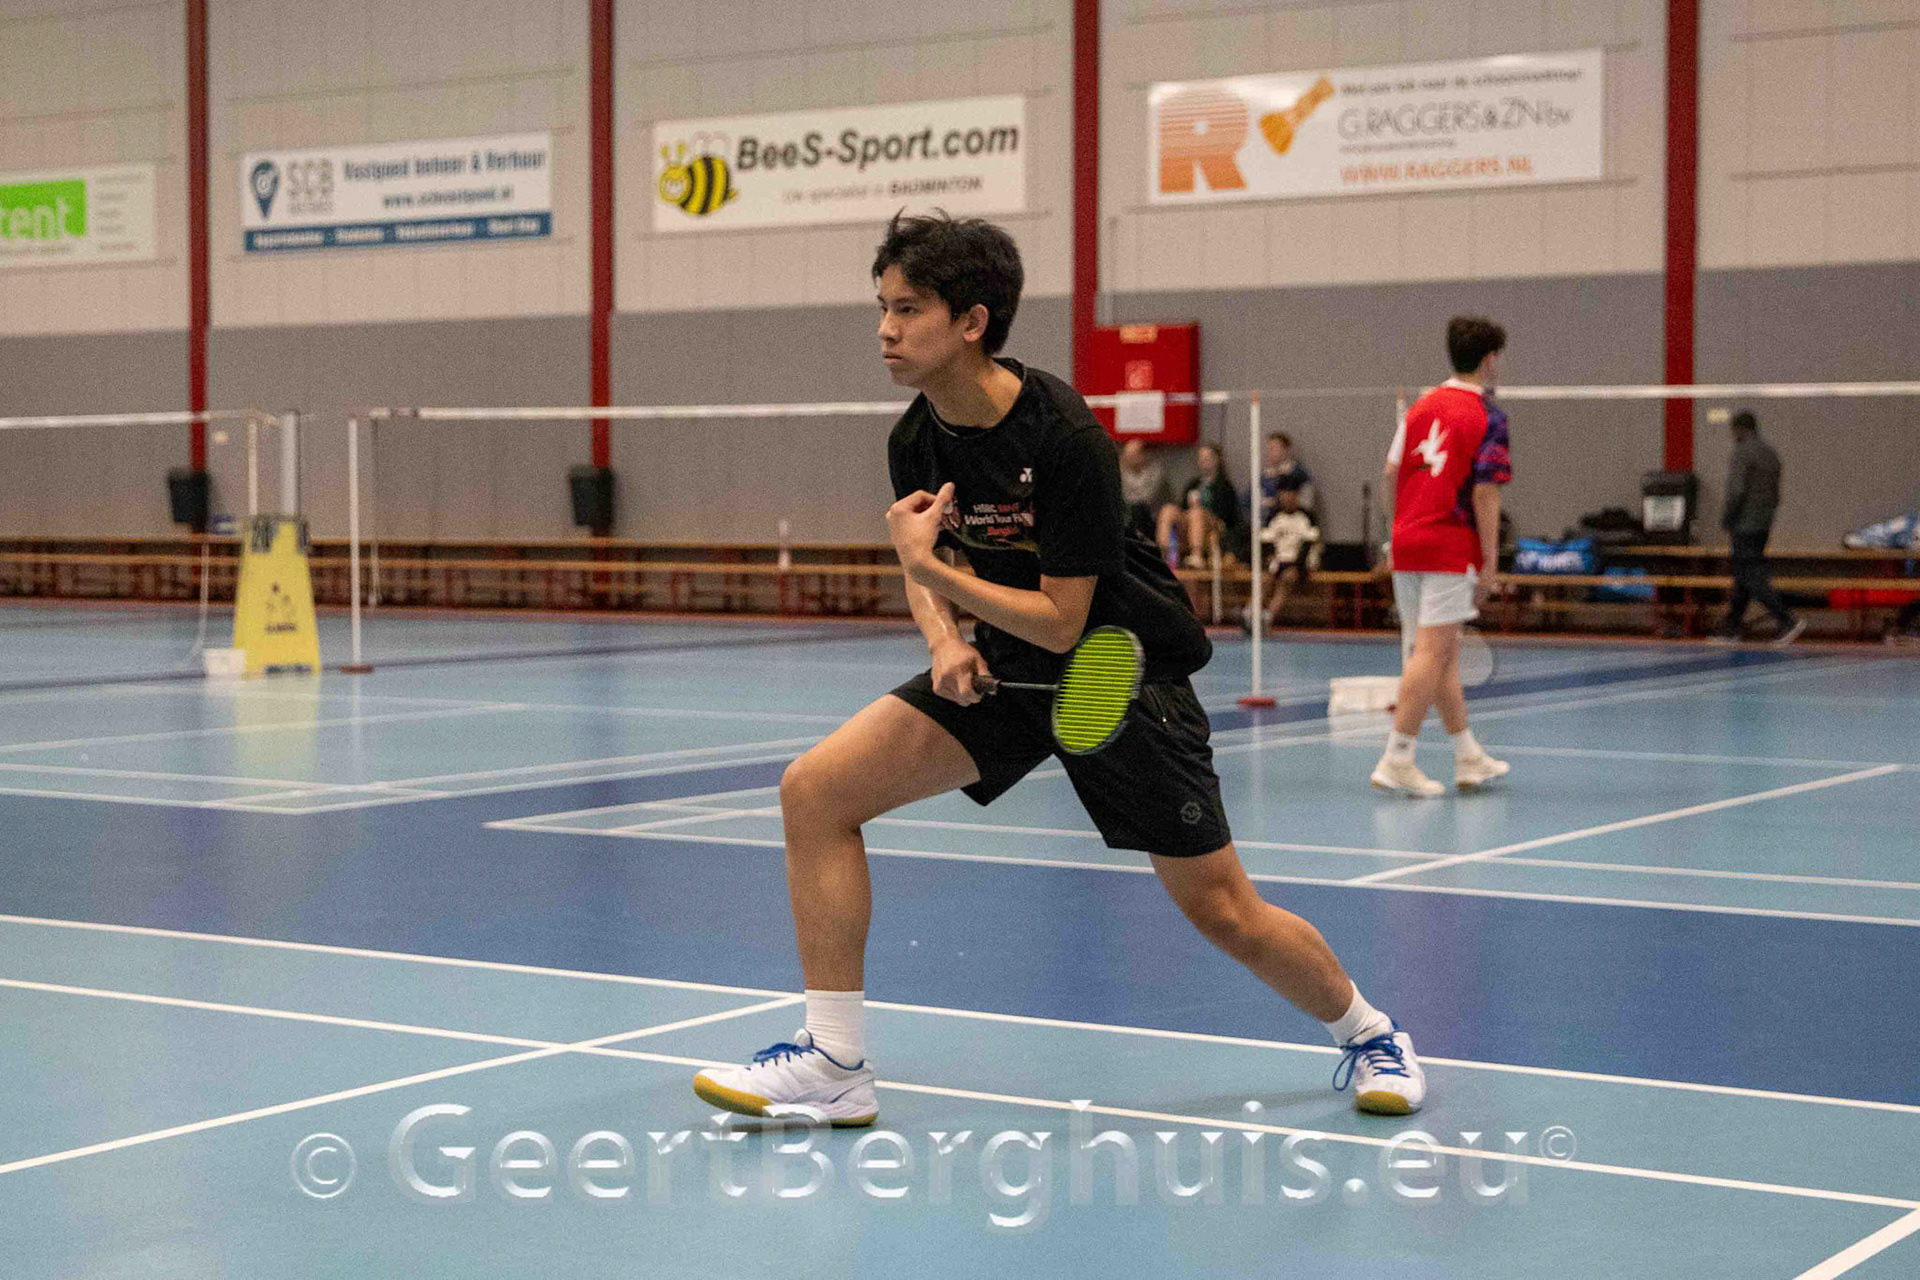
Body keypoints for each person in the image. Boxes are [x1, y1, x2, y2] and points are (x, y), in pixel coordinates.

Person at [692, 212, 1426, 1124]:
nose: (885, 329)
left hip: (1120, 676)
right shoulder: (914, 438)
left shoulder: (1064, 437)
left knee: (1224, 911)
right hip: (1012, 671)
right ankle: (835, 1061)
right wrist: (943, 640)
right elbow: (928, 556)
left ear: (972, 321)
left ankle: (1370, 1033)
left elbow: (1061, 617)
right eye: (882, 307)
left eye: (908, 309)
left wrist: (930, 574)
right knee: (814, 793)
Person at [1371, 316, 1514, 798]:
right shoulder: (1488, 417)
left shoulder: (1420, 407)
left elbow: (1390, 473)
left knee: (1440, 654)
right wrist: (1490, 561)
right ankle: (1398, 758)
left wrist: (1399, 528)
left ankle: (1467, 756)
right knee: (1429, 653)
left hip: (1407, 542)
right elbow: (1486, 494)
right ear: (1490, 360)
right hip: (1449, 546)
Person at [1711, 410, 1805, 644]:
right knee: (1743, 575)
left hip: (1745, 523)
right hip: (1763, 523)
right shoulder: (1770, 453)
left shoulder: (1742, 452)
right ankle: (1732, 626)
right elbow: (1775, 493)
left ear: (1739, 429)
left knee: (1751, 576)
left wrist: (1727, 518)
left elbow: (1736, 491)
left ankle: (1786, 619)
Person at [1157, 442, 1239, 568]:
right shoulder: (1193, 484)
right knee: (1168, 510)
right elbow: (1182, 507)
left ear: (1217, 460)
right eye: (1201, 457)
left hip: (1212, 524)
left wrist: (1199, 510)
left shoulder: (1225, 486)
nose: (1203, 461)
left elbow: (1228, 516)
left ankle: (1197, 555)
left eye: (1207, 457)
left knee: (1197, 513)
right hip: (1189, 522)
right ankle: (1163, 553)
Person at [1118, 439, 1170, 541]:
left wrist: (1132, 497)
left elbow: (1148, 497)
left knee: (1138, 509)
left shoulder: (1156, 471)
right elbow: (1121, 495)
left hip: (1152, 515)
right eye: (1127, 455)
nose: (1128, 458)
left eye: (1132, 455)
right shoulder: (1121, 471)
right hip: (1128, 513)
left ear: (1142, 455)